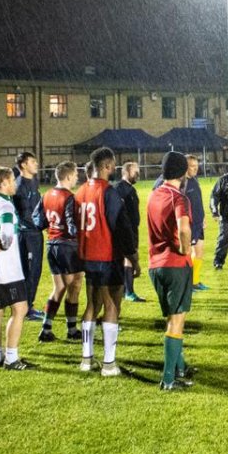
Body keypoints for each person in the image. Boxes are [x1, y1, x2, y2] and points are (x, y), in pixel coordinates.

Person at [76, 148, 140, 376]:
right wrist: (133, 257)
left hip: (88, 256)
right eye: (112, 165)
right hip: (107, 255)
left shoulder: (80, 191)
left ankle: (86, 359)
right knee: (112, 304)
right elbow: (121, 227)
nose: (114, 168)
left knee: (92, 305)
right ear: (105, 166)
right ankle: (109, 363)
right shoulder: (108, 192)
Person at [0, 167, 37, 370]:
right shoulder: (5, 205)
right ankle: (12, 358)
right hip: (6, 270)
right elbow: (7, 234)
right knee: (20, 308)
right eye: (11, 181)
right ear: (3, 183)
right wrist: (3, 245)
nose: (14, 184)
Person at [149, 152, 198, 390]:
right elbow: (184, 228)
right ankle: (168, 379)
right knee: (177, 321)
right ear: (182, 172)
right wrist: (185, 249)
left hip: (156, 264)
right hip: (175, 265)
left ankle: (180, 366)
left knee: (173, 319)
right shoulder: (179, 197)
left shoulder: (154, 194)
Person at [38, 161, 84, 343]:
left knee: (59, 287)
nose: (77, 178)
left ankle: (46, 328)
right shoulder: (69, 197)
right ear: (68, 176)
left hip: (52, 244)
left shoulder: (46, 195)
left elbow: (38, 221)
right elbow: (72, 226)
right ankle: (72, 329)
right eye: (75, 175)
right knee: (75, 284)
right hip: (67, 246)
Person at [12, 153, 48, 322]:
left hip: (36, 233)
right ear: (24, 165)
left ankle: (29, 305)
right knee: (29, 271)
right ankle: (26, 308)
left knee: (35, 270)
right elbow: (25, 215)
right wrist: (41, 225)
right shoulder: (19, 186)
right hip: (27, 235)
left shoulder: (34, 181)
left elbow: (38, 208)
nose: (36, 164)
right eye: (33, 162)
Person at [116, 162, 147, 303]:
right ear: (127, 172)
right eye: (135, 171)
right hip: (126, 230)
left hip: (129, 229)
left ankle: (124, 290)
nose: (138, 174)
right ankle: (129, 291)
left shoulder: (127, 189)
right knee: (129, 259)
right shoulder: (122, 189)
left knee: (125, 259)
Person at [183, 155, 209, 291]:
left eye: (196, 166)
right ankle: (187, 283)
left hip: (199, 223)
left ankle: (195, 281)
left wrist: (203, 217)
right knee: (187, 254)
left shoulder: (194, 180)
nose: (195, 169)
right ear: (185, 167)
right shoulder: (182, 183)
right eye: (192, 166)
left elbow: (198, 200)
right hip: (189, 224)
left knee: (199, 252)